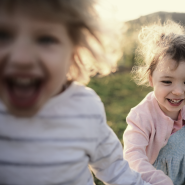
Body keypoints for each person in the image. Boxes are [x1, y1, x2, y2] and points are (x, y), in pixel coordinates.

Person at [0, 1, 151, 185]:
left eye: (46, 39)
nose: (21, 58)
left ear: (74, 52)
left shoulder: (85, 106)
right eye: (3, 36)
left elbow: (115, 169)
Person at [123, 20, 185, 185]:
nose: (178, 91)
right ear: (151, 79)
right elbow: (132, 158)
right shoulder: (141, 116)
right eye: (167, 82)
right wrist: (158, 180)